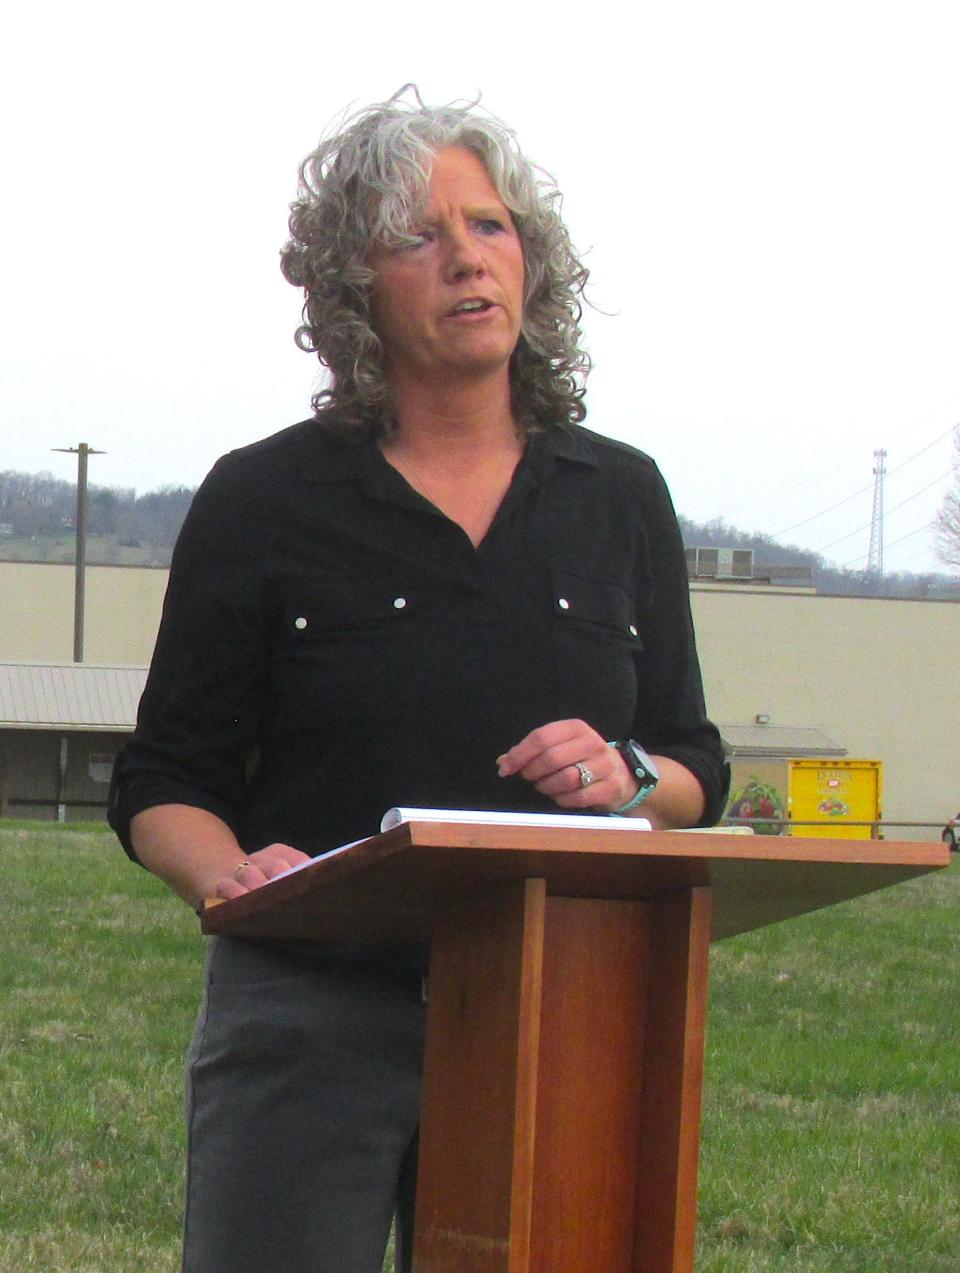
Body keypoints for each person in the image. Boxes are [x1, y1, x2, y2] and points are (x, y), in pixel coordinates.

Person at [109, 86, 729, 1273]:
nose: (465, 260)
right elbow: (161, 781)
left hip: (565, 1004)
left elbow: (692, 759)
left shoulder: (621, 496)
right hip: (309, 1003)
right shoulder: (261, 499)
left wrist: (628, 773)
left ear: (534, 265)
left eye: (490, 227)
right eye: (418, 236)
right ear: (353, 293)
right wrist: (231, 874)